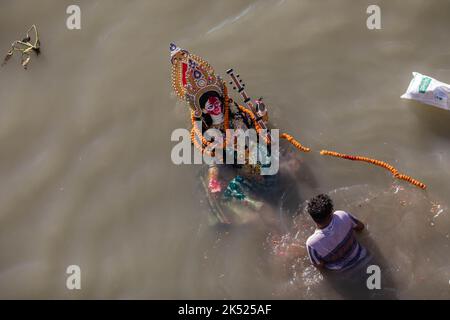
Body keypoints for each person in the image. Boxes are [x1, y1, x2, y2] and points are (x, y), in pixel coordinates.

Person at [305, 194, 367, 271]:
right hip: (362, 255)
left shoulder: (312, 244)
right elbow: (361, 227)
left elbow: (319, 266)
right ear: (331, 211)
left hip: (343, 271)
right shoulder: (342, 215)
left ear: (313, 218)